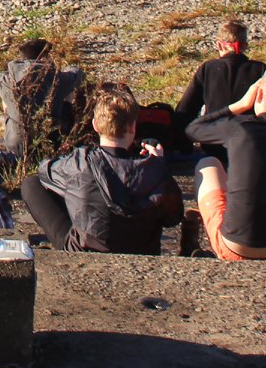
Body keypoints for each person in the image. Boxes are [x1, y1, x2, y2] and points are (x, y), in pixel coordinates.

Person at [21, 86, 184, 254]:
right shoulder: (154, 169)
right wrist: (158, 163)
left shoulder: (81, 163)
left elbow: (44, 171)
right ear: (133, 127)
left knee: (31, 184)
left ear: (96, 125)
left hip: (86, 249)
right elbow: (174, 217)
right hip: (143, 251)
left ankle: (73, 242)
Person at [184, 64, 266, 261]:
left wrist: (239, 105)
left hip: (233, 247)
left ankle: (195, 236)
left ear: (259, 94)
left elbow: (193, 129)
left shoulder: (239, 128)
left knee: (208, 162)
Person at [175, 19, 266, 133]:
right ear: (245, 46)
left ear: (219, 45)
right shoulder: (261, 69)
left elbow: (185, 109)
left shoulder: (208, 68)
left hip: (213, 142)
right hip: (249, 140)